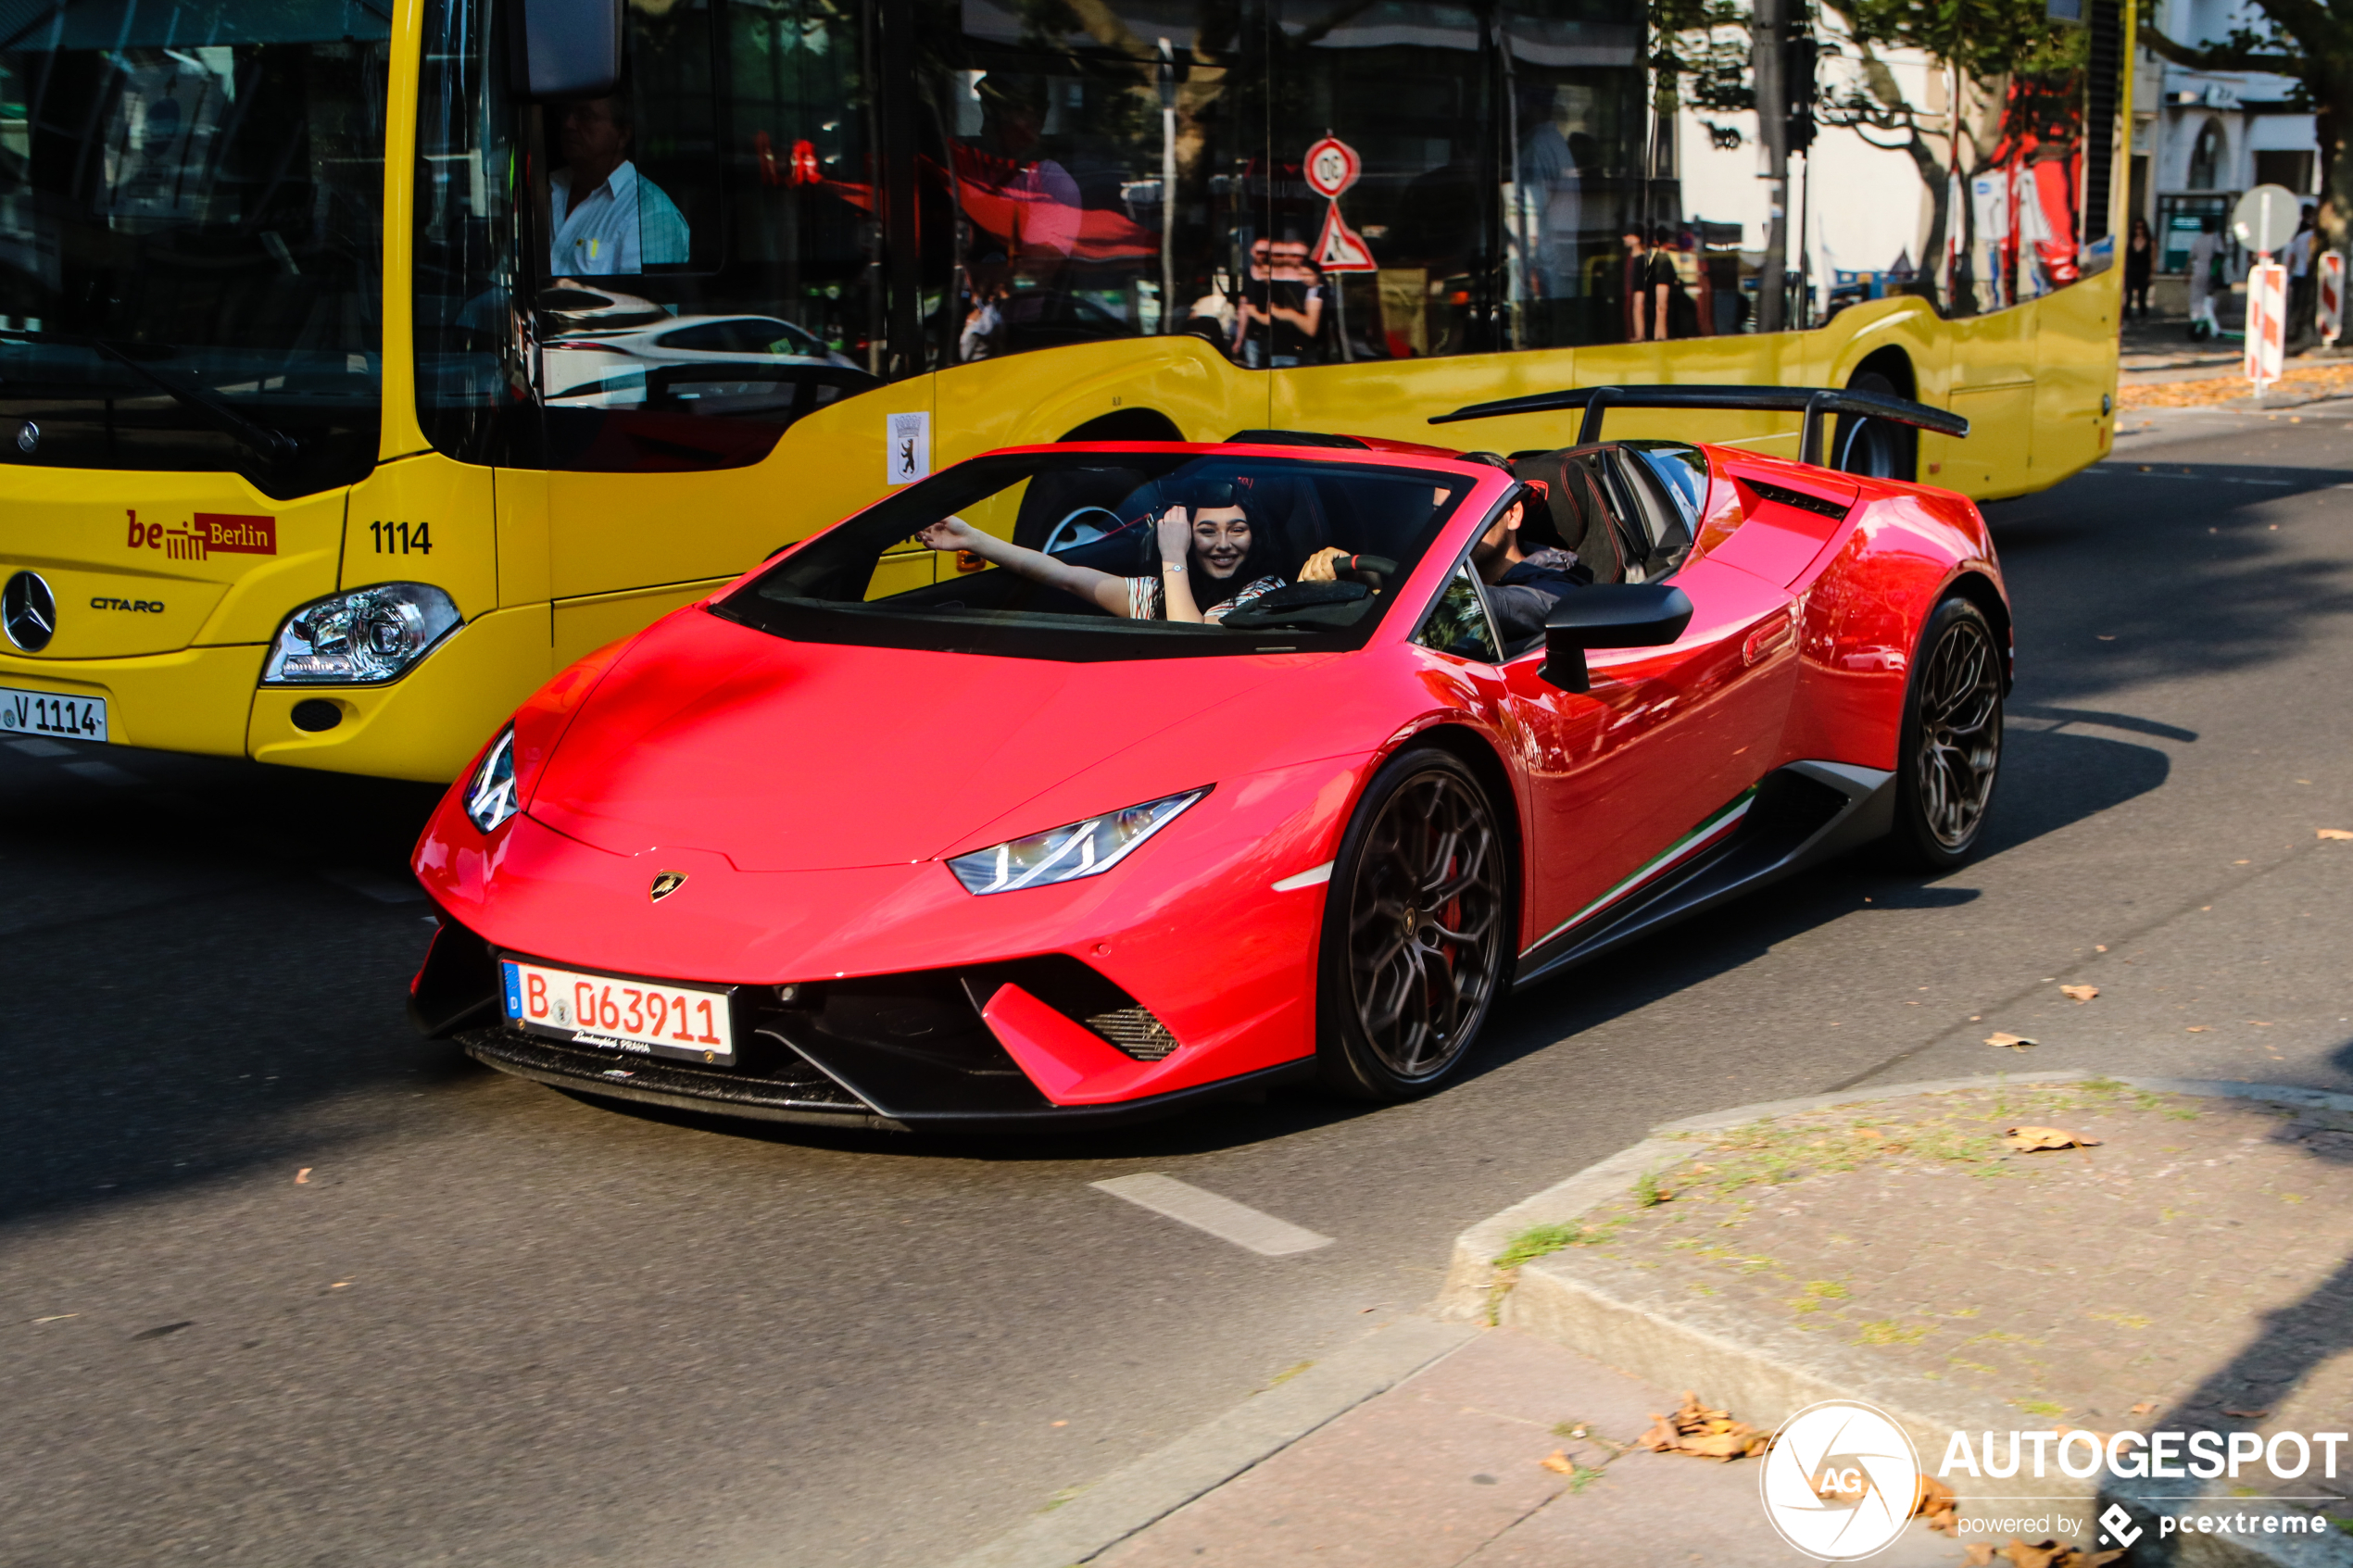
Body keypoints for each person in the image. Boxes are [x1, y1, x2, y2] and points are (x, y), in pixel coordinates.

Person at [914, 480, 1285, 624]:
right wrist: (972, 539)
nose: (1223, 544)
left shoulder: (1266, 593)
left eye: (1237, 530)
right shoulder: (1158, 594)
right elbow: (1066, 576)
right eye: (1207, 531)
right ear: (1191, 536)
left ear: (1256, 537)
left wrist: (1173, 556)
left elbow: (1194, 640)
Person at [548, 94, 689, 275]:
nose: (568, 124)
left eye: (585, 116)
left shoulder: (652, 214)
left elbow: (647, 301)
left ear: (622, 135)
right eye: (566, 113)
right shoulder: (545, 188)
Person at [1471, 484, 1591, 644]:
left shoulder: (1558, 586)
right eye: (1438, 511)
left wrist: (1454, 598)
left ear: (1512, 515)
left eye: (1469, 512)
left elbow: (1544, 606)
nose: (1449, 525)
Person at [2186, 216, 2222, 342]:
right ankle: (2207, 317)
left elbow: (2191, 257)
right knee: (2209, 296)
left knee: (2196, 295)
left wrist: (2187, 274)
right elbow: (2220, 254)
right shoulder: (2215, 239)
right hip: (2210, 270)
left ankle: (2197, 317)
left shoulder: (2199, 239)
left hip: (2198, 270)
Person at [2124, 217, 2154, 321]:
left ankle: (2143, 315)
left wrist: (2151, 274)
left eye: (2141, 227)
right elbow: (2125, 257)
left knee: (2142, 296)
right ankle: (2127, 315)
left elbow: (2153, 258)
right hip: (2131, 270)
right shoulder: (2130, 241)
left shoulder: (2150, 242)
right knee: (2128, 296)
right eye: (2137, 227)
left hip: (2143, 271)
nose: (2139, 230)